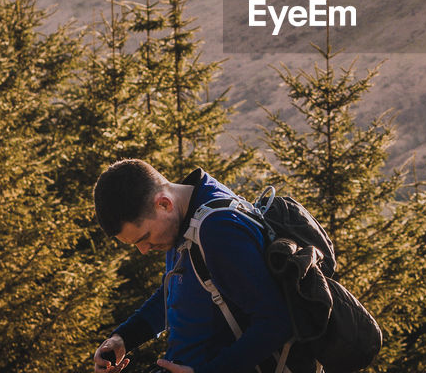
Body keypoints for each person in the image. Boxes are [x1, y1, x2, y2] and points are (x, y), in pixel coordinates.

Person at [91, 159, 313, 373]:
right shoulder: (184, 215)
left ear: (163, 204)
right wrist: (124, 338)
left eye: (144, 237)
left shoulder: (216, 229)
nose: (144, 249)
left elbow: (276, 320)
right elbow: (176, 291)